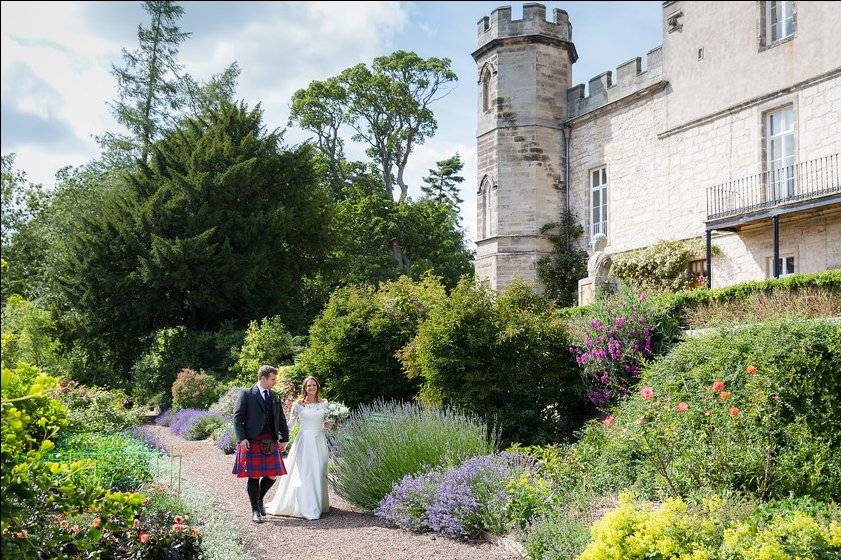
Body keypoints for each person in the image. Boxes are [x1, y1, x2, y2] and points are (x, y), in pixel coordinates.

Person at [265, 376, 330, 520]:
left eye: (313, 385)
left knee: (318, 470)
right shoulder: (298, 404)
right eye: (308, 386)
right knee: (306, 472)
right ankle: (306, 506)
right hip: (305, 441)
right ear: (304, 388)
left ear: (317, 387)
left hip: (319, 440)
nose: (311, 388)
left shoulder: (325, 403)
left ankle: (318, 503)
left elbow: (326, 424)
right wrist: (282, 439)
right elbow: (291, 424)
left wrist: (329, 425)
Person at [232, 365, 290, 523]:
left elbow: (281, 418)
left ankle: (259, 499)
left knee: (272, 475)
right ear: (263, 378)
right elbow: (237, 418)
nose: (274, 382)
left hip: (270, 440)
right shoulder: (247, 394)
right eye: (272, 379)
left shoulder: (275, 396)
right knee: (254, 475)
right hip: (252, 440)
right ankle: (255, 510)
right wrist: (241, 438)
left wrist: (284, 438)